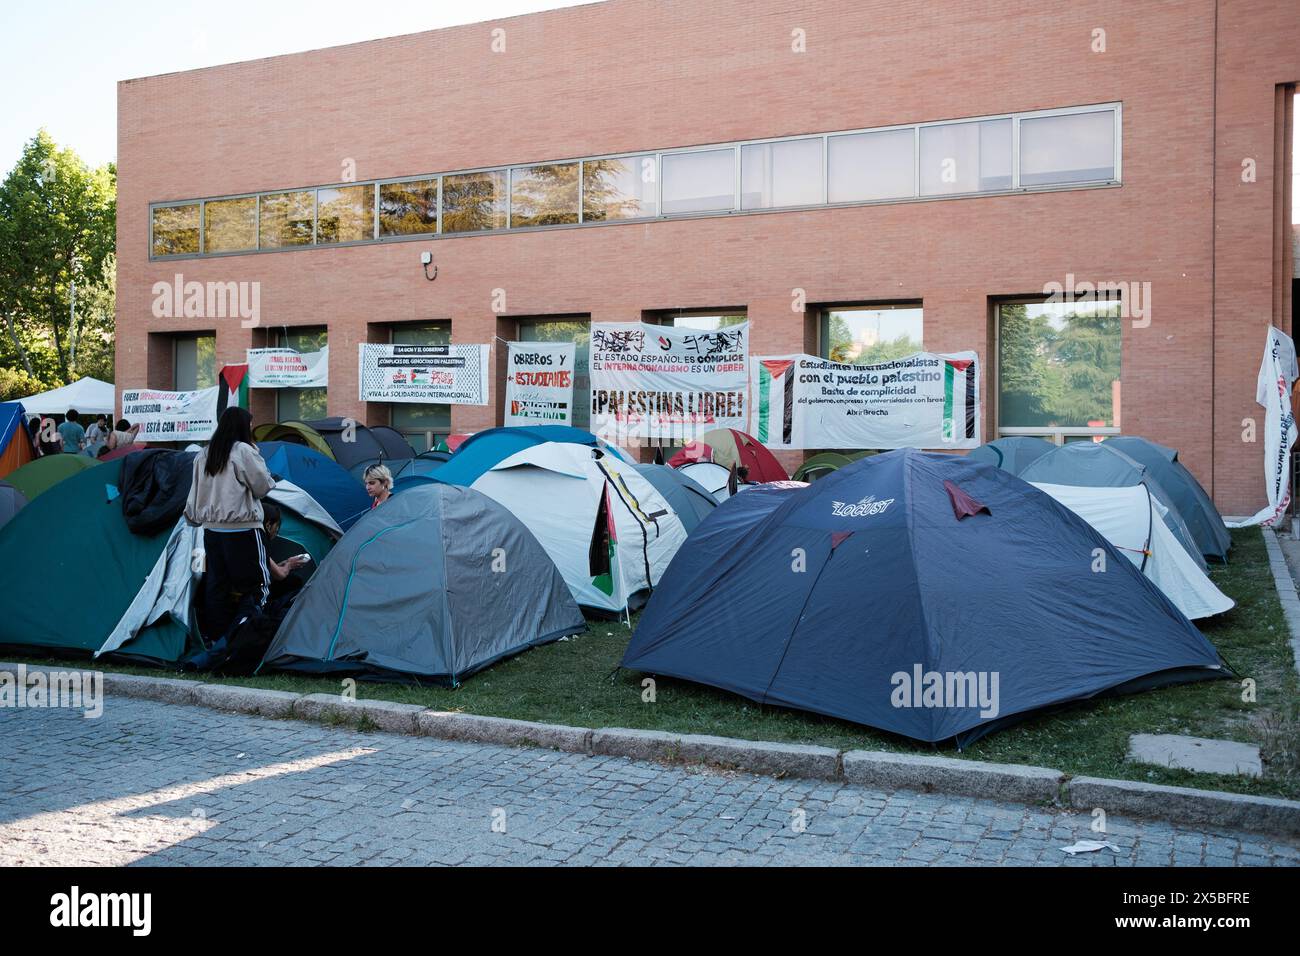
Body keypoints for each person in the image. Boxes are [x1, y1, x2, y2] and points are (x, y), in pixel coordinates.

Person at [184, 407, 276, 643]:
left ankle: (218, 640)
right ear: (243, 426)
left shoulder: (204, 454)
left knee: (217, 587)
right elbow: (262, 486)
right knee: (257, 584)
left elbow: (194, 494)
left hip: (211, 531)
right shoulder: (244, 451)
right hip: (243, 528)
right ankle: (249, 636)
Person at [260, 501, 311, 586]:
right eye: (277, 526)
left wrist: (287, 562)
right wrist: (290, 565)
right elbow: (280, 575)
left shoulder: (249, 538)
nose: (277, 531)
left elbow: (268, 568)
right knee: (295, 580)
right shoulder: (259, 545)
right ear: (268, 525)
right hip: (251, 593)